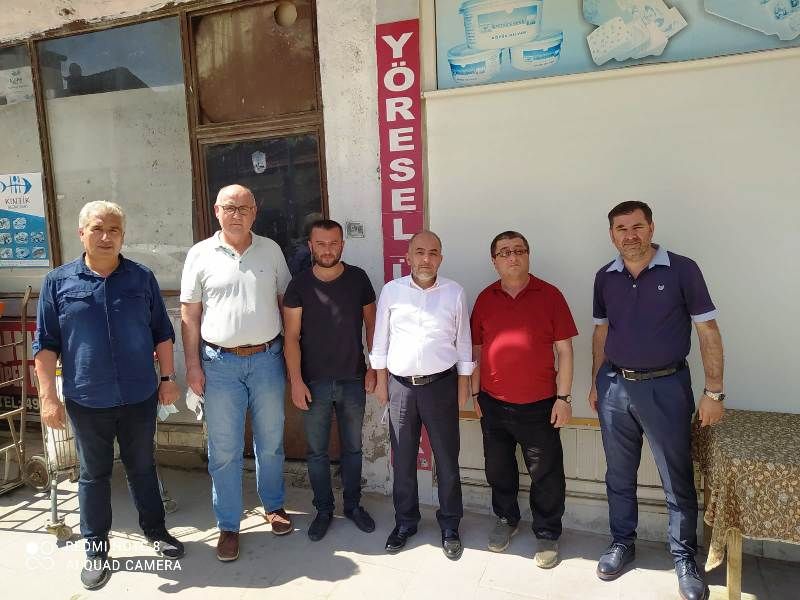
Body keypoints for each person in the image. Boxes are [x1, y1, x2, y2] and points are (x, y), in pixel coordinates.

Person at [33, 200, 184, 590]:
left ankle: (156, 532)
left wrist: (168, 378)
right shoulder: (57, 282)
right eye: (97, 228)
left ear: (123, 235)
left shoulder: (141, 278)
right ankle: (96, 549)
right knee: (93, 475)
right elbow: (45, 345)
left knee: (142, 466)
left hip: (139, 395)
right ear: (81, 233)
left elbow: (162, 333)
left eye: (114, 229)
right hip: (87, 399)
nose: (106, 236)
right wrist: (48, 397)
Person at [589, 201, 724, 600]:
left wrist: (714, 391)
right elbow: (601, 332)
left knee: (677, 477)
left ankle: (684, 558)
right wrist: (596, 382)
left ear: (651, 228)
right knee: (618, 474)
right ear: (611, 234)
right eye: (621, 229)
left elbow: (708, 330)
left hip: (667, 386)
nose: (630, 235)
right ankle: (621, 543)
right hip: (615, 387)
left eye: (637, 226)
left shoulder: (682, 270)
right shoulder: (605, 277)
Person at [180, 184, 292, 562]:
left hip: (267, 360)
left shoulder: (271, 250)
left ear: (255, 212)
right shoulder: (200, 254)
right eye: (230, 208)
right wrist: (192, 366)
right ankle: (228, 525)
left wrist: (294, 358)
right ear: (217, 211)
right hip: (219, 365)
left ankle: (273, 506)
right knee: (224, 449)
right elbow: (189, 315)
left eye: (244, 208)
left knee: (271, 441)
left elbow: (286, 304)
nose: (237, 215)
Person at [470, 231, 577, 568]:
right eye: (504, 252)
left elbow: (565, 351)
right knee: (498, 469)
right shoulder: (485, 298)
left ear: (528, 255)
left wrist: (564, 398)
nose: (512, 256)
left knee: (546, 474)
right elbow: (476, 351)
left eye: (518, 250)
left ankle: (547, 533)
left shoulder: (550, 295)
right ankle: (506, 519)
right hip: (493, 403)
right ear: (494, 261)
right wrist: (474, 393)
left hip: (540, 405)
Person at [370, 230, 474, 560]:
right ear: (408, 256)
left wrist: (463, 385)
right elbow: (380, 340)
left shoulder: (454, 292)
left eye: (433, 253)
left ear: (441, 257)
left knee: (447, 459)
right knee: (402, 459)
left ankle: (450, 525)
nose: (426, 259)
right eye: (419, 252)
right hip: (400, 387)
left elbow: (463, 342)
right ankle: (405, 522)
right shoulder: (392, 291)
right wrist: (382, 382)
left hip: (441, 385)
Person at [282, 219, 378, 541]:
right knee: (317, 453)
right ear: (310, 246)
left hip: (353, 378)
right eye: (321, 244)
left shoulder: (359, 279)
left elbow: (372, 326)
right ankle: (323, 510)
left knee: (353, 449)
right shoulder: (299, 285)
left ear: (342, 245)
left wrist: (374, 368)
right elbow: (291, 337)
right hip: (314, 383)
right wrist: (296, 381)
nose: (327, 250)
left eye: (333, 243)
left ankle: (353, 506)